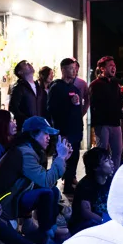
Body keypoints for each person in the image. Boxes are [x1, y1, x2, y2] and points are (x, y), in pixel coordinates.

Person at [0, 116, 71, 244]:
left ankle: (48, 231)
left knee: (53, 190)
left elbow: (48, 181)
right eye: (45, 133)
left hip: (16, 195)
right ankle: (47, 232)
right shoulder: (25, 152)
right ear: (33, 134)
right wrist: (60, 158)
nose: (49, 137)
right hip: (5, 201)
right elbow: (45, 181)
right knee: (46, 193)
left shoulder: (32, 150)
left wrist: (62, 158)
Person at [47, 58, 85, 193]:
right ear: (63, 70)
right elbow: (51, 109)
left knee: (74, 158)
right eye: (71, 68)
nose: (74, 71)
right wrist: (69, 103)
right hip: (63, 130)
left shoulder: (75, 89)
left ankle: (68, 185)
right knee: (60, 158)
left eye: (75, 68)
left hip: (76, 130)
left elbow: (78, 110)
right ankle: (51, 186)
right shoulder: (56, 87)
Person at [90, 56, 123, 170]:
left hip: (115, 123)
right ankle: (101, 176)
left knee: (118, 152)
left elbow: (119, 102)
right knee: (102, 153)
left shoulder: (115, 84)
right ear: (102, 69)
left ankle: (114, 175)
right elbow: (94, 105)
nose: (113, 68)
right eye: (110, 66)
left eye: (114, 66)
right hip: (102, 124)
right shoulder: (95, 85)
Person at [68, 147, 113, 236]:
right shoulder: (85, 185)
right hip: (84, 225)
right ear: (96, 167)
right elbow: (86, 213)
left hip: (103, 220)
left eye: (110, 159)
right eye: (107, 161)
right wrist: (106, 222)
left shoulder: (110, 180)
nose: (111, 162)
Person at [8, 60, 46, 129]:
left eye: (29, 63)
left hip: (39, 127)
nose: (29, 64)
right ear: (20, 72)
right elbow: (14, 108)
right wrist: (27, 120)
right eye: (25, 64)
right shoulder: (18, 88)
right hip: (26, 128)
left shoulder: (39, 88)